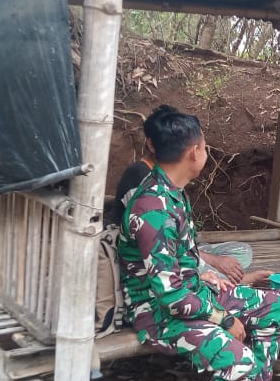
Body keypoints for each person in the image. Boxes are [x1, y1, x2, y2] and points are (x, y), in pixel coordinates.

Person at [117, 106, 280, 381]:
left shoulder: (173, 193)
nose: (206, 151)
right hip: (160, 316)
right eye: (205, 145)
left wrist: (216, 280)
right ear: (194, 152)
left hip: (195, 296)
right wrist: (224, 319)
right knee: (240, 362)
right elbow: (169, 296)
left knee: (273, 306)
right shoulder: (152, 208)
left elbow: (188, 261)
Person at [110, 105, 269, 285]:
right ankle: (228, 281)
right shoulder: (143, 182)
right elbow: (157, 242)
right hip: (150, 256)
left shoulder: (171, 178)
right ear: (152, 144)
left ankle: (218, 277)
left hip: (181, 248)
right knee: (193, 264)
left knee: (242, 251)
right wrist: (213, 261)